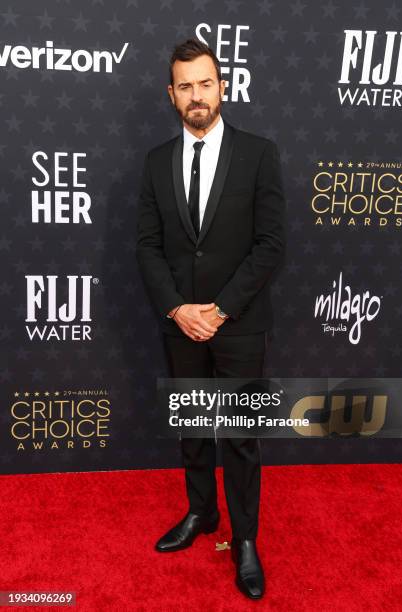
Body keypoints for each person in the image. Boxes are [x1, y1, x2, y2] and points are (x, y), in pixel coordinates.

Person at [136, 38, 286, 600]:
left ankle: (245, 539)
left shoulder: (259, 154)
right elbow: (148, 247)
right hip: (180, 326)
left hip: (239, 324)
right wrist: (179, 309)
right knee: (195, 430)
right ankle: (203, 513)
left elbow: (271, 246)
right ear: (170, 95)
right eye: (185, 86)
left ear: (222, 87)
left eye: (205, 83)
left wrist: (219, 310)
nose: (196, 96)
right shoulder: (154, 163)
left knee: (242, 437)